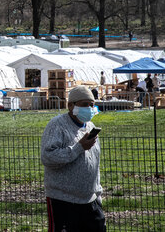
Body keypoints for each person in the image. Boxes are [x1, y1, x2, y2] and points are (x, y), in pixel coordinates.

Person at [41, 85, 105, 231]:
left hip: (91, 201)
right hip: (64, 201)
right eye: (84, 105)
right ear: (71, 106)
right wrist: (78, 148)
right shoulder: (57, 125)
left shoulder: (90, 126)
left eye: (91, 105)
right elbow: (48, 157)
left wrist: (98, 194)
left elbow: (94, 163)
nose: (89, 108)